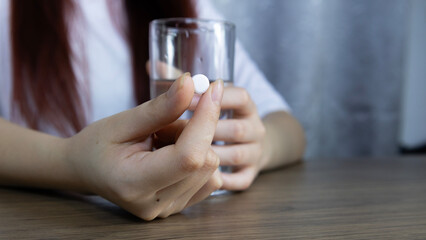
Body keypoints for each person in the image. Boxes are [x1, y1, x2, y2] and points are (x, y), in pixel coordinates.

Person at [0, 0, 305, 220]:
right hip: (51, 219)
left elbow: (289, 127)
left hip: (199, 220)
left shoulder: (188, 12)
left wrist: (256, 146)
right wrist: (71, 163)